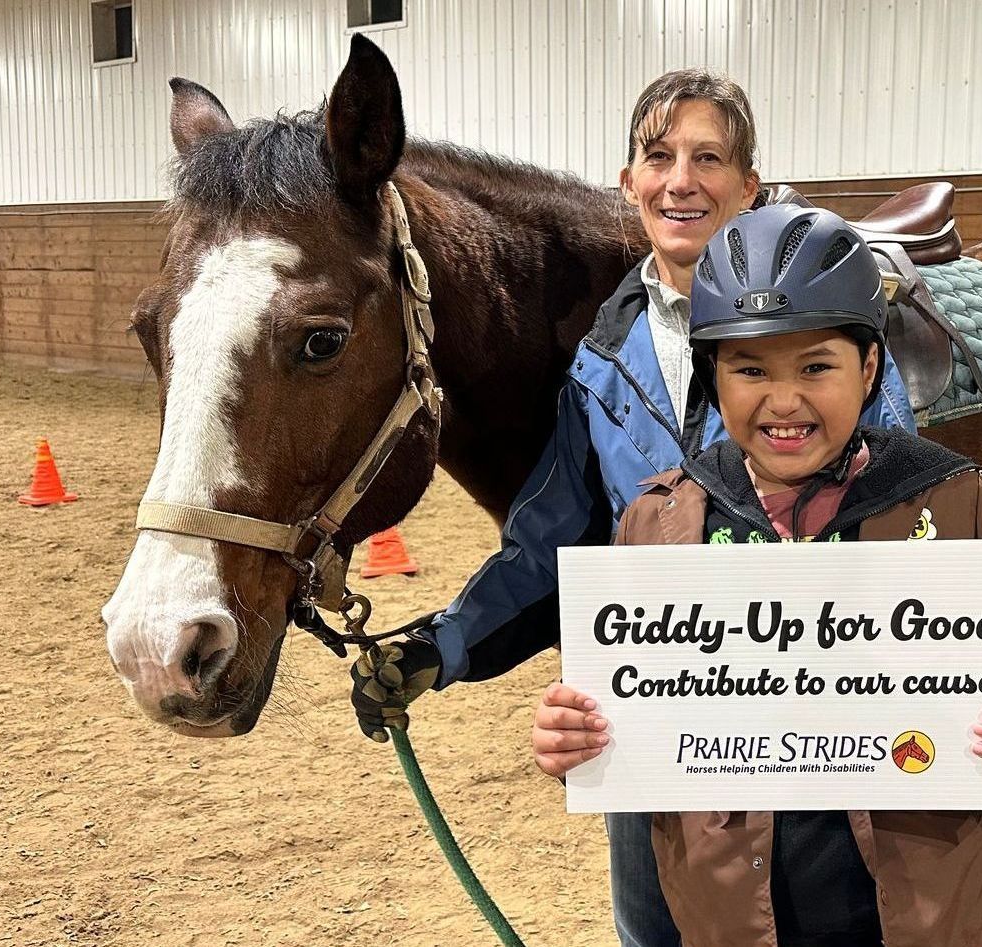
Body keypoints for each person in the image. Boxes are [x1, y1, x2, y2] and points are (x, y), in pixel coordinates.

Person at [348, 70, 914, 946]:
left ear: (748, 187)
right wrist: (442, 644)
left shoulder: (827, 335)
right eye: (659, 157)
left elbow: (899, 509)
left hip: (821, 737)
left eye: (708, 158)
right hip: (661, 736)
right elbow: (550, 542)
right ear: (628, 184)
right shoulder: (602, 357)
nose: (680, 180)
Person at [528, 206, 982, 946]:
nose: (783, 400)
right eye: (749, 369)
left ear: (868, 368)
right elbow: (627, 709)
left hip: (923, 920)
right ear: (714, 374)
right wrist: (573, 738)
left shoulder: (949, 498)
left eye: (816, 366)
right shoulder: (660, 522)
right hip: (732, 922)